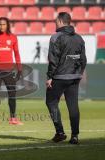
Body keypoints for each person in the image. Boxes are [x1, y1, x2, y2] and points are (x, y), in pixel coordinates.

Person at [46, 12, 87, 144]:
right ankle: (75, 136)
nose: (54, 23)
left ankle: (60, 132)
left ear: (60, 21)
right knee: (73, 105)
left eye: (55, 21)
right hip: (75, 76)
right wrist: (79, 72)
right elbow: (83, 59)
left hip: (59, 77)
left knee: (51, 102)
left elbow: (53, 60)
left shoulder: (56, 37)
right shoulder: (79, 38)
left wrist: (50, 77)